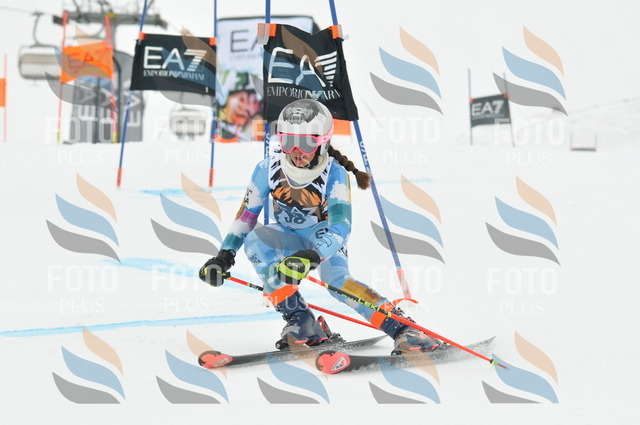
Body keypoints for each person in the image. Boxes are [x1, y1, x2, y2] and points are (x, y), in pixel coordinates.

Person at [199, 99, 439, 354]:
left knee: (336, 281)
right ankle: (302, 322)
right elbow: (246, 218)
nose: (296, 151)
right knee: (256, 241)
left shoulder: (334, 173)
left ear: (323, 141)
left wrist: (312, 255)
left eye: (306, 143)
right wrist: (224, 256)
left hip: (324, 238)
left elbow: (341, 228)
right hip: (288, 235)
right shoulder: (267, 167)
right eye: (288, 141)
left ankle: (403, 328)